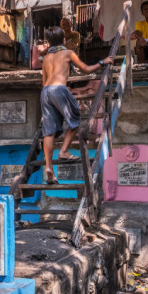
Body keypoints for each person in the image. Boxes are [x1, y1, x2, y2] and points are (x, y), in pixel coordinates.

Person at [41, 26, 114, 184]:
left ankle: (48, 167)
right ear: (64, 40)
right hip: (59, 89)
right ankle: (64, 151)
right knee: (75, 120)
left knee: (48, 132)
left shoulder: (46, 58)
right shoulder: (68, 53)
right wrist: (103, 61)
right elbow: (87, 69)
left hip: (46, 92)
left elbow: (44, 83)